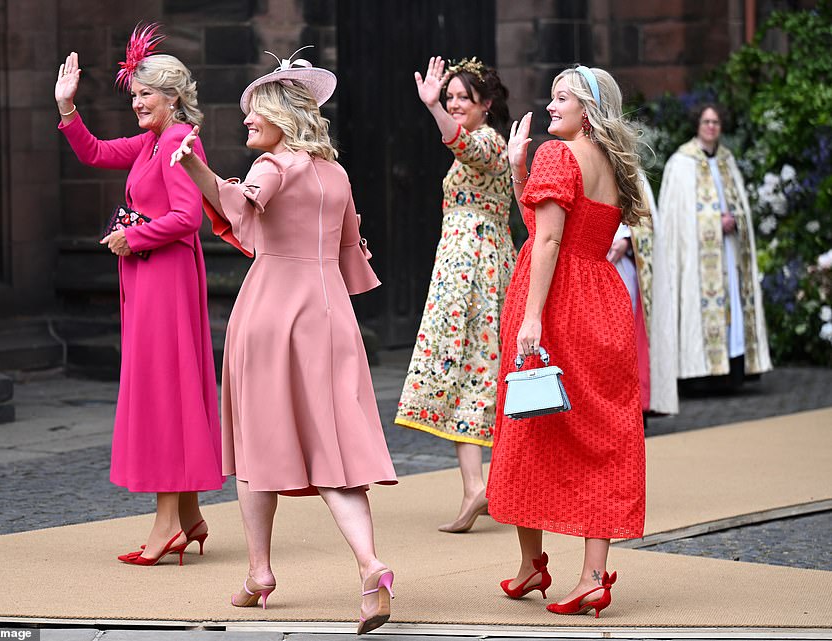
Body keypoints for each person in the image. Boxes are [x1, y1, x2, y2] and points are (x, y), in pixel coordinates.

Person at [170, 48, 398, 634]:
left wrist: (194, 165)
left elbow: (244, 209)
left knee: (257, 445)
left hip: (272, 311)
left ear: (282, 116)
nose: (246, 119)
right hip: (331, 315)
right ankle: (370, 567)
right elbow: (351, 251)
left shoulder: (274, 165)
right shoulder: (337, 173)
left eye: (255, 111)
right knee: (336, 452)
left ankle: (259, 572)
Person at [55, 24, 223, 566]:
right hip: (151, 278)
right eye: (134, 96)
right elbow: (97, 153)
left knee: (162, 390)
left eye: (145, 94)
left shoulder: (177, 139)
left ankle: (167, 525)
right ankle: (189, 515)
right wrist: (67, 110)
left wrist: (133, 236)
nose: (137, 104)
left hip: (166, 277)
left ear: (171, 97)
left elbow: (186, 217)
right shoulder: (154, 140)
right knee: (166, 385)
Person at [486, 65, 647, 618]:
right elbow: (557, 225)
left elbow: (548, 237)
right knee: (602, 435)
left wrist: (532, 317)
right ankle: (592, 576)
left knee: (527, 426)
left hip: (558, 303)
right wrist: (515, 170)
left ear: (587, 110)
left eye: (562, 98)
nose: (551, 105)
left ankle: (534, 560)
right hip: (604, 300)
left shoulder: (559, 156)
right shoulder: (611, 163)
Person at [395, 56, 516, 533]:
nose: (455, 104)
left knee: (475, 368)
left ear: (486, 104)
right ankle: (474, 487)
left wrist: (432, 110)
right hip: (466, 265)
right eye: (450, 98)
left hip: (475, 271)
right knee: (469, 370)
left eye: (464, 98)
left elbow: (465, 146)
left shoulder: (488, 141)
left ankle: (480, 486)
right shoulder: (483, 142)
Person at [658, 103, 772, 388]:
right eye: (707, 121)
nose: (711, 127)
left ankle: (732, 372)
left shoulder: (727, 161)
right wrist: (713, 223)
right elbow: (676, 221)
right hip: (697, 259)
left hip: (729, 253)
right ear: (697, 124)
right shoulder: (680, 163)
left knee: (732, 303)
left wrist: (736, 220)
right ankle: (699, 377)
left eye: (716, 122)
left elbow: (741, 206)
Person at [608, 173, 678, 416]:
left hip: (626, 266)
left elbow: (643, 217)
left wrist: (628, 240)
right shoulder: (577, 158)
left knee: (626, 331)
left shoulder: (629, 168)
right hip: (592, 262)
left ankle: (634, 404)